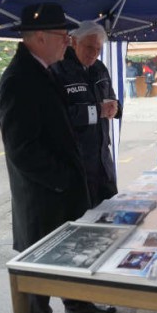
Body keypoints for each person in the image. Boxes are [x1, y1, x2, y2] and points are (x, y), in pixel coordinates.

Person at [0, 2, 95, 313]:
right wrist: (62, 180)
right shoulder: (19, 79)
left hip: (57, 189)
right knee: (37, 262)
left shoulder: (42, 69)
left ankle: (78, 304)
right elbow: (22, 149)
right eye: (62, 36)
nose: (67, 42)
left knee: (69, 252)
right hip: (42, 193)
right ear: (39, 37)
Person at [52, 21, 122, 208]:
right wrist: (97, 111)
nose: (93, 53)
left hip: (103, 161)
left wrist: (116, 108)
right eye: (89, 47)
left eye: (98, 49)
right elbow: (58, 117)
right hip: (78, 164)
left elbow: (112, 98)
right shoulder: (58, 69)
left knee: (111, 217)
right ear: (74, 42)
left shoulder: (99, 68)